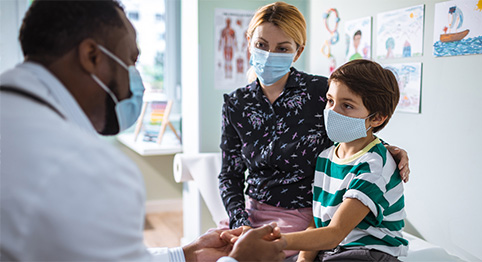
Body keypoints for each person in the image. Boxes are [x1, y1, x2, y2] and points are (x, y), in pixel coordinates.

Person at [0, 1, 285, 261]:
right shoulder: (88, 169)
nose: (136, 80)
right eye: (131, 61)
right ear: (91, 56)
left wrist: (184, 255)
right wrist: (238, 261)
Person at [218, 1, 410, 258]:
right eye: (262, 45)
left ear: (297, 52)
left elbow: (354, 127)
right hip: (253, 213)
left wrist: (388, 151)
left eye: (282, 48)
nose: (269, 54)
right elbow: (229, 176)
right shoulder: (236, 104)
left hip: (308, 215)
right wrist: (240, 222)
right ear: (249, 41)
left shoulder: (320, 92)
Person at [281, 59, 408, 261]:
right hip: (332, 250)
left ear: (377, 118)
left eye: (347, 105)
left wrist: (278, 241)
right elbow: (319, 221)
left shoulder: (374, 165)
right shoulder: (326, 157)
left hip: (368, 253)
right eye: (330, 101)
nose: (332, 112)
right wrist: (304, 259)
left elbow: (335, 232)